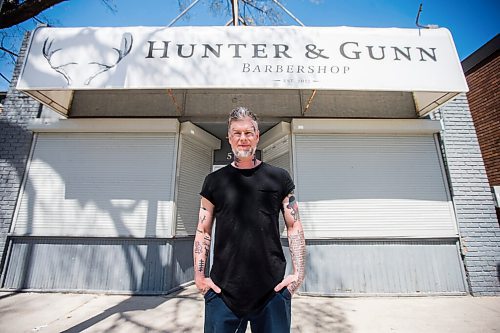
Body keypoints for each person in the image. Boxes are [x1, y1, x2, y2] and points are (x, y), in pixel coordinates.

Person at [193, 107, 306, 333]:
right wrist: (200, 278)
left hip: (272, 292)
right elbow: (203, 230)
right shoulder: (214, 181)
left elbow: (294, 226)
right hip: (223, 293)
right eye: (237, 133)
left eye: (248, 133)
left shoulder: (278, 178)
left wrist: (298, 275)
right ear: (229, 138)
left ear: (257, 136)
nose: (243, 139)